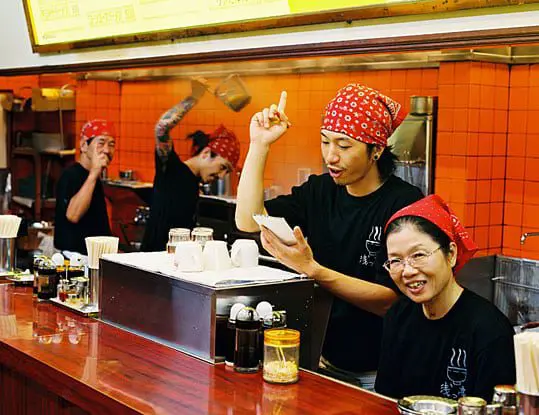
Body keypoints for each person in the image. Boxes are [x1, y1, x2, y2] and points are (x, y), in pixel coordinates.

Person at [235, 83, 423, 389]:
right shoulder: (320, 191)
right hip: (320, 358)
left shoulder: (404, 204)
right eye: (325, 141)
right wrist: (259, 145)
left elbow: (391, 301)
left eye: (344, 146)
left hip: (380, 372)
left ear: (376, 150)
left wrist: (313, 270)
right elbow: (247, 220)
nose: (331, 156)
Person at [375, 195, 516, 401]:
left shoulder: (490, 331)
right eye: (395, 261)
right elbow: (386, 399)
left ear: (451, 254)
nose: (407, 271)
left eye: (418, 255)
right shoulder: (398, 316)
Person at [141, 80, 240, 252]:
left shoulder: (194, 182)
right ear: (206, 153)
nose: (222, 176)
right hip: (153, 257)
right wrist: (194, 97)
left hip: (177, 259)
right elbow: (162, 128)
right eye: (223, 167)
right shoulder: (172, 169)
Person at [55, 119, 115, 254]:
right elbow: (73, 215)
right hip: (75, 258)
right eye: (101, 143)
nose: (106, 150)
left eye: (111, 144)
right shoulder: (70, 175)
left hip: (96, 256)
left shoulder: (94, 177)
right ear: (83, 145)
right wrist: (94, 173)